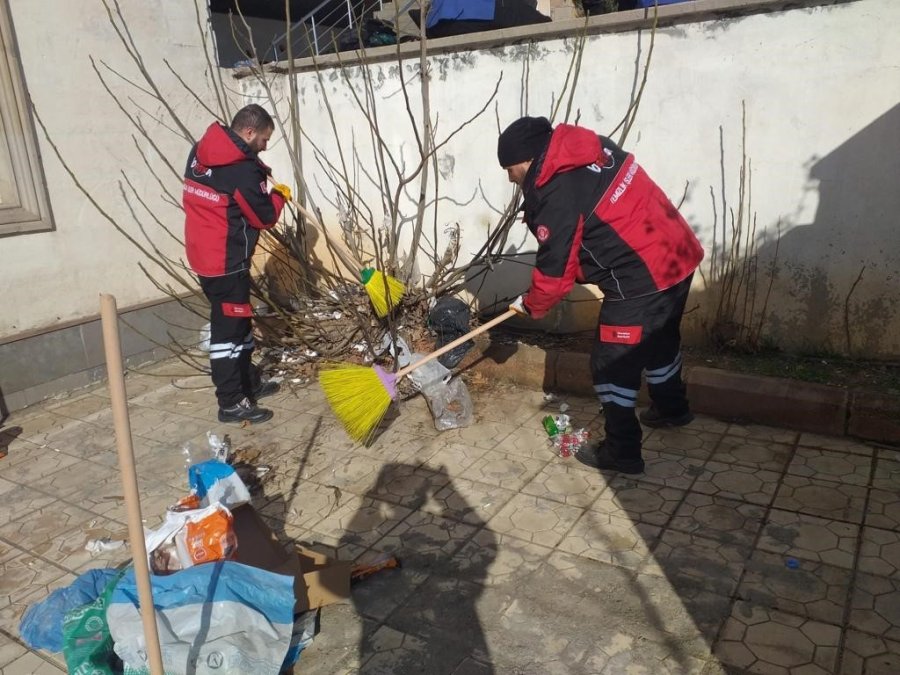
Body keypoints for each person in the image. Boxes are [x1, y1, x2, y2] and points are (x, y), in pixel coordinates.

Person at [498, 116, 704, 473]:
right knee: (660, 340)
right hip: (677, 255)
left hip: (639, 279)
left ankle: (622, 452)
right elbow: (592, 224)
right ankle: (672, 409)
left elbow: (556, 271)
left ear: (527, 159)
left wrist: (532, 304)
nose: (509, 177)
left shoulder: (555, 190)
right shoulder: (590, 148)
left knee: (611, 365)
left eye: (509, 168)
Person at [183, 104, 291, 424]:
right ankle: (231, 401)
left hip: (203, 253)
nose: (265, 146)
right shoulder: (241, 171)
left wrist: (257, 168)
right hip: (225, 262)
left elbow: (229, 179)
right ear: (249, 132)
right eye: (264, 139)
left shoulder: (201, 151)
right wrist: (279, 195)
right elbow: (264, 216)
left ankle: (248, 382)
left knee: (241, 324)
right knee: (228, 333)